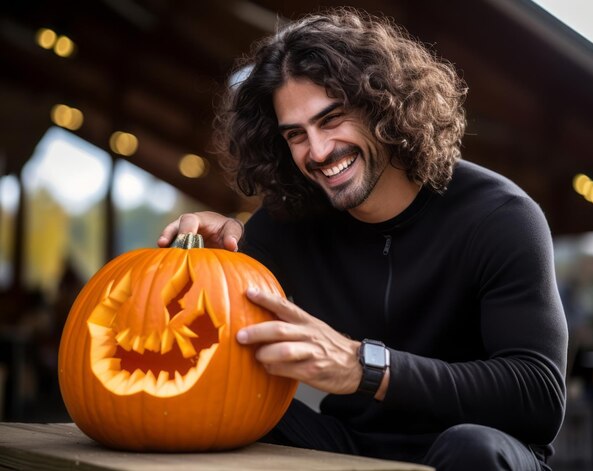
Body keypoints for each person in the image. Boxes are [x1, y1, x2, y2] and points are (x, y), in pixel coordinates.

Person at [158, 7, 568, 470]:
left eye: (331, 119)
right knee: (230, 409)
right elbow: (214, 340)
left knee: (471, 447)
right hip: (350, 447)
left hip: (479, 453)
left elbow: (538, 397)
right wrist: (211, 267)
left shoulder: (500, 216)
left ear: (383, 106)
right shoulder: (288, 220)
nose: (317, 151)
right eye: (296, 134)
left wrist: (366, 367)